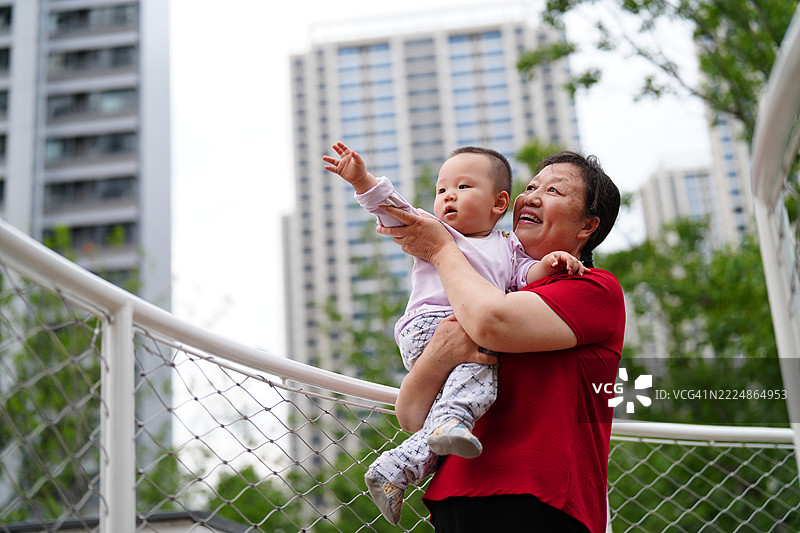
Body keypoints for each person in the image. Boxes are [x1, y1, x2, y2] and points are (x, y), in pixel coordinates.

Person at [323, 142, 585, 525]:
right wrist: (362, 180)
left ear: (498, 204)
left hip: (463, 337)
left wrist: (550, 264)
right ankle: (441, 431)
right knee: (484, 374)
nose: (448, 196)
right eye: (441, 189)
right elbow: (393, 208)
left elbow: (524, 278)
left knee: (475, 381)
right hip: (431, 325)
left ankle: (398, 468)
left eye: (463, 188)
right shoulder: (433, 232)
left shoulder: (508, 247)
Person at [378, 150, 624, 533]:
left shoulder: (592, 287)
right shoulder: (484, 289)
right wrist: (442, 352)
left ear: (587, 226)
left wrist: (442, 248)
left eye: (555, 190)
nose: (532, 196)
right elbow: (410, 415)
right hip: (455, 497)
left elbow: (493, 322)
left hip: (540, 499)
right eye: (531, 186)